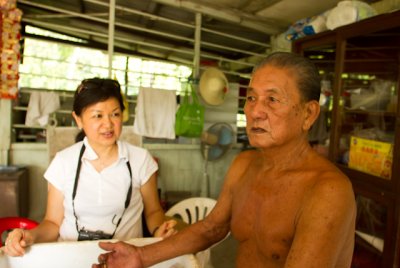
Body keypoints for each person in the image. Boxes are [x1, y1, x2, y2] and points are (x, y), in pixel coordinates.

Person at [92, 52, 356, 268]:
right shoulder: (244, 164)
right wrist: (140, 256)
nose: (255, 111)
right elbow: (211, 229)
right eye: (251, 98)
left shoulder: (328, 191)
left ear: (309, 114)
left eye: (272, 99)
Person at [3, 78, 176, 257]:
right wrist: (29, 236)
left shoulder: (140, 159)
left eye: (115, 114)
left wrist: (158, 229)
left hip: (124, 260)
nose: (108, 124)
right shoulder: (63, 162)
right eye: (98, 115)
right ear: (78, 119)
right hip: (72, 258)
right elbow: (52, 223)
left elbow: (154, 211)